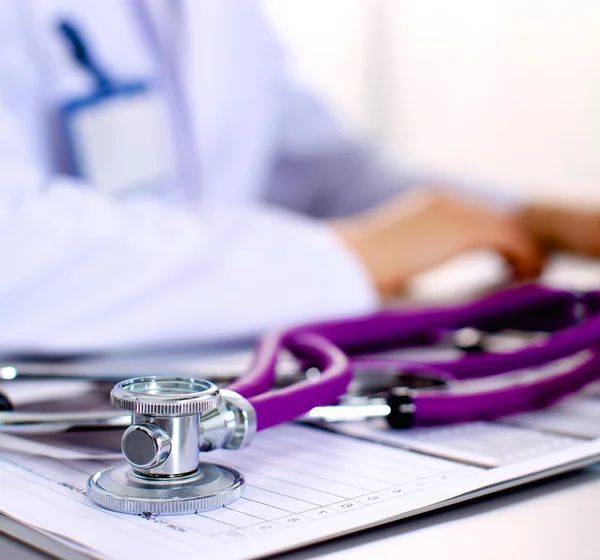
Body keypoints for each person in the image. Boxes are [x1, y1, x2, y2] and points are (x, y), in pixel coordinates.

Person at [0, 0, 597, 355]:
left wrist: (518, 218)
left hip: (198, 370)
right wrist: (354, 254)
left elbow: (313, 168)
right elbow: (14, 252)